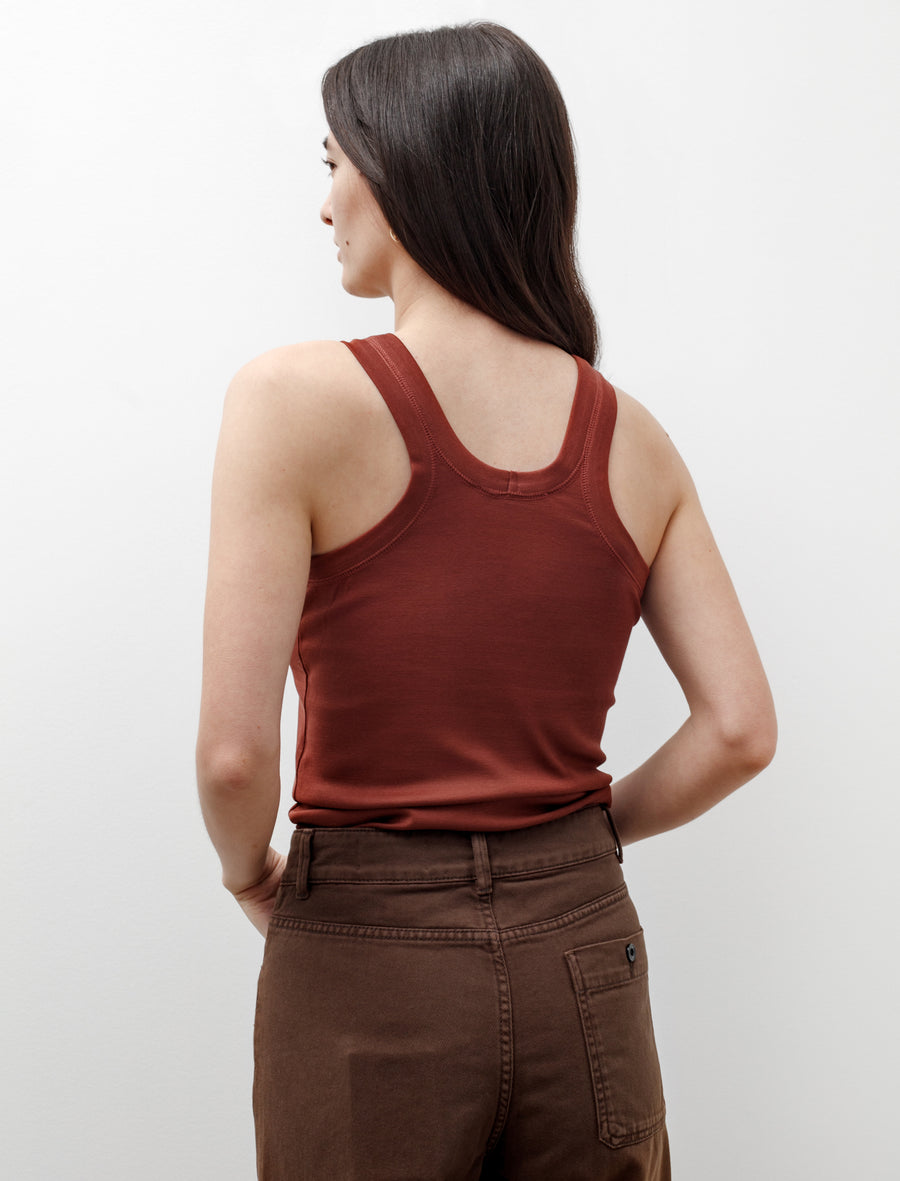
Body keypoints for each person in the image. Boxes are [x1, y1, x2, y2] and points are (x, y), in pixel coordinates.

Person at [196, 21, 776, 1181]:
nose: (324, 204)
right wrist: (581, 838)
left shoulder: (290, 398)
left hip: (369, 948)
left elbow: (230, 758)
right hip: (585, 949)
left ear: (404, 165)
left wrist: (249, 871)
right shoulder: (633, 438)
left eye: (334, 164)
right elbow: (740, 730)